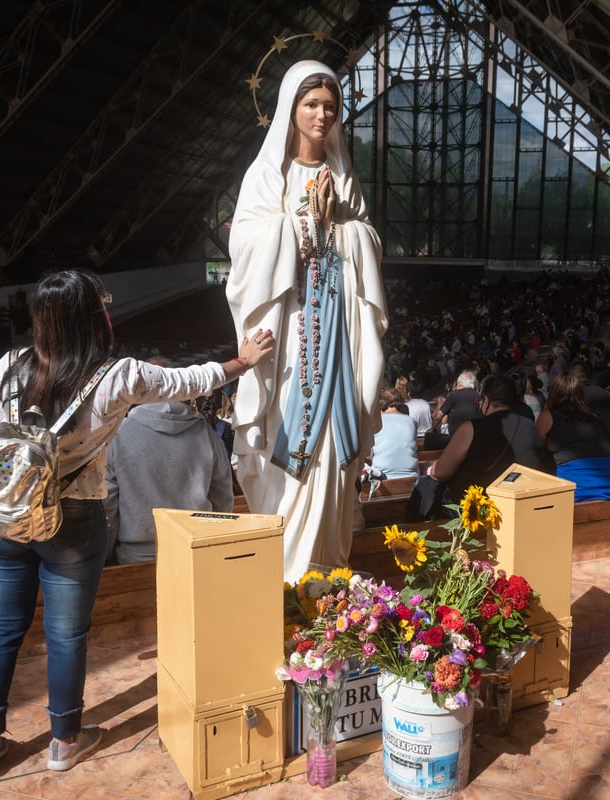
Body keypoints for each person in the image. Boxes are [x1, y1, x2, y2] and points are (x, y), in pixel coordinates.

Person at [0, 269, 273, 774]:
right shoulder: (117, 375)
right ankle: (64, 740)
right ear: (95, 317)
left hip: (3, 515)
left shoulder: (6, 367)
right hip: (73, 517)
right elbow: (188, 380)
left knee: (0, 628)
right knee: (66, 635)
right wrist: (242, 361)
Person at [226, 60, 387, 583]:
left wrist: (339, 223)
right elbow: (245, 246)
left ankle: (329, 574)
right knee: (291, 437)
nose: (322, 115)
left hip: (340, 334)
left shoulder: (344, 177)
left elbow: (367, 242)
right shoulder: (265, 175)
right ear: (290, 109)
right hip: (292, 335)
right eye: (311, 104)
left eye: (330, 107)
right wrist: (299, 224)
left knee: (337, 448)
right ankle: (286, 577)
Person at [102, 398, 234, 565]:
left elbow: (108, 506)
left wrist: (105, 554)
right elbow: (222, 499)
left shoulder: (119, 434)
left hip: (137, 555)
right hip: (196, 550)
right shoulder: (207, 434)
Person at [427, 374, 547, 502]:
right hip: (517, 501)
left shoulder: (470, 429)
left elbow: (440, 472)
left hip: (475, 507)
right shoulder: (530, 426)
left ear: (486, 400)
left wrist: (430, 468)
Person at [536, 373, 610, 501]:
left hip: (578, 491)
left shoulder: (547, 417)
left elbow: (540, 451)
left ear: (553, 392)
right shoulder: (594, 416)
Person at [368, 388, 418, 480]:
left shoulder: (376, 423)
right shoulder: (412, 421)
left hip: (382, 477)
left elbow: (369, 454)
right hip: (411, 476)